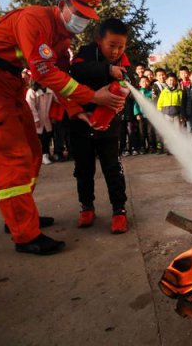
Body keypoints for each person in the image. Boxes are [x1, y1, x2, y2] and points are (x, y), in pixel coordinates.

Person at [0, 0, 124, 255]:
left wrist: (77, 110)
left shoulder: (61, 38)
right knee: (13, 157)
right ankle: (24, 235)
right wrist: (93, 97)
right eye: (80, 14)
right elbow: (43, 72)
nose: (83, 21)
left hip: (9, 86)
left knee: (33, 153)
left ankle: (19, 216)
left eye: (88, 17)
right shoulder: (34, 20)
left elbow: (61, 79)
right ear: (62, 5)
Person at [69, 17, 131, 234]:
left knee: (113, 169)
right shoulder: (85, 54)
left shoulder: (123, 61)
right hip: (81, 123)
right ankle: (86, 207)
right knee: (83, 170)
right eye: (111, 45)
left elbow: (124, 86)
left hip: (109, 127)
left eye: (121, 46)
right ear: (98, 41)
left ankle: (119, 210)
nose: (115, 51)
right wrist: (107, 70)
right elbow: (76, 72)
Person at [26, 81, 55, 165]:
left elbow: (58, 99)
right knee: (36, 138)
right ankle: (36, 156)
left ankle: (45, 155)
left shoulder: (50, 90)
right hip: (35, 119)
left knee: (46, 137)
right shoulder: (31, 91)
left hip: (46, 119)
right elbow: (30, 106)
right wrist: (35, 119)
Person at [133, 76, 155, 153]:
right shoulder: (138, 93)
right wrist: (137, 114)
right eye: (142, 81)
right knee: (142, 132)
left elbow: (154, 103)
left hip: (150, 116)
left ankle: (151, 146)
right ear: (139, 83)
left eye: (146, 81)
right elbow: (136, 104)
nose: (144, 83)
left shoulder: (151, 92)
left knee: (150, 132)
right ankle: (142, 147)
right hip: (141, 116)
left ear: (149, 82)